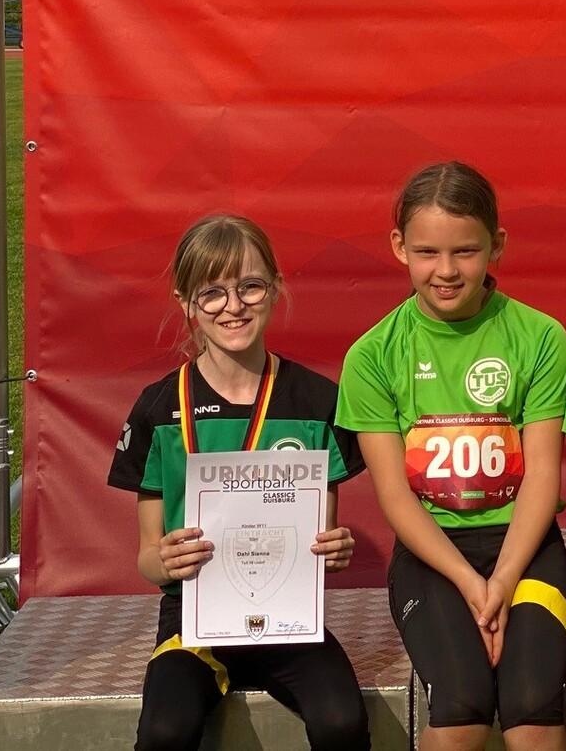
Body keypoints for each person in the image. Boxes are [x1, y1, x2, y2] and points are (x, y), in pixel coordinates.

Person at [336, 162, 566, 751]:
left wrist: (502, 582)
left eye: (465, 252)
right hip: (433, 558)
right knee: (465, 701)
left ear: (497, 246)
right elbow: (395, 498)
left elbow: (543, 480)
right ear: (399, 248)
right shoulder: (372, 355)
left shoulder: (540, 336)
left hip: (527, 550)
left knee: (532, 705)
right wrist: (473, 584)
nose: (446, 271)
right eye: (427, 252)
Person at [108, 214, 370, 751]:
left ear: (275, 288)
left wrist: (334, 547)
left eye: (250, 286)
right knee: (164, 731)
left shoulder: (317, 401)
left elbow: (322, 533)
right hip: (193, 621)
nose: (234, 306)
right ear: (186, 303)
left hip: (288, 616)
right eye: (212, 293)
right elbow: (146, 558)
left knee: (342, 720)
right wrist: (167, 560)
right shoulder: (159, 408)